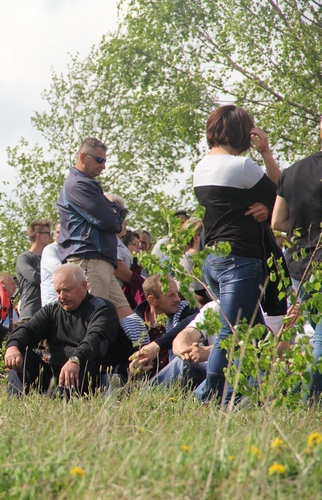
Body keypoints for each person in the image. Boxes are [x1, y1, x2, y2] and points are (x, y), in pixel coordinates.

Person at [192, 104, 281, 403]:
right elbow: (282, 194)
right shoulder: (242, 166)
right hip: (241, 260)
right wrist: (266, 152)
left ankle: (257, 397)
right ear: (244, 133)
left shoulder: (200, 168)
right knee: (232, 335)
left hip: (213, 260)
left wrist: (264, 207)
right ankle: (208, 397)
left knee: (255, 335)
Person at [4, 263, 126, 396]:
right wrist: (13, 347)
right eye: (58, 291)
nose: (62, 296)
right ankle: (16, 402)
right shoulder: (52, 310)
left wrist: (76, 359)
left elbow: (94, 339)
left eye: (67, 290)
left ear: (84, 286)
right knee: (22, 358)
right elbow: (28, 329)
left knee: (59, 395)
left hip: (88, 375)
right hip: (56, 373)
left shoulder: (103, 309)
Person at [272, 117, 322, 399]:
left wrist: (305, 236)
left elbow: (277, 222)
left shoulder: (291, 172)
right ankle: (308, 401)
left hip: (299, 265)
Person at [57, 137, 132, 321]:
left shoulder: (87, 184)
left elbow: (115, 218)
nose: (103, 166)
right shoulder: (77, 185)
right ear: (83, 156)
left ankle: (144, 349)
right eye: (100, 160)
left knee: (128, 319)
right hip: (88, 261)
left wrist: (117, 213)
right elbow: (111, 222)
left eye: (105, 160)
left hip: (100, 263)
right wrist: (117, 213)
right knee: (94, 322)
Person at [122, 275, 198, 384]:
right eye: (171, 295)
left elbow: (191, 323)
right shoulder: (131, 324)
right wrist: (133, 369)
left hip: (178, 381)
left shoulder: (186, 310)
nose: (177, 299)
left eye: (177, 293)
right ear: (152, 300)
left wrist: (156, 346)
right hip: (143, 384)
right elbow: (120, 362)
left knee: (183, 363)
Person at [16, 218, 53, 321]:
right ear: (38, 235)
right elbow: (34, 278)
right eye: (48, 233)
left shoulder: (49, 259)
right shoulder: (24, 258)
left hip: (48, 313)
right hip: (30, 313)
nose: (51, 237)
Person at [40, 224, 63, 307]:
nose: (60, 235)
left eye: (63, 232)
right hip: (52, 303)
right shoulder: (50, 249)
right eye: (57, 232)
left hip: (66, 302)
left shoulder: (70, 250)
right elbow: (61, 271)